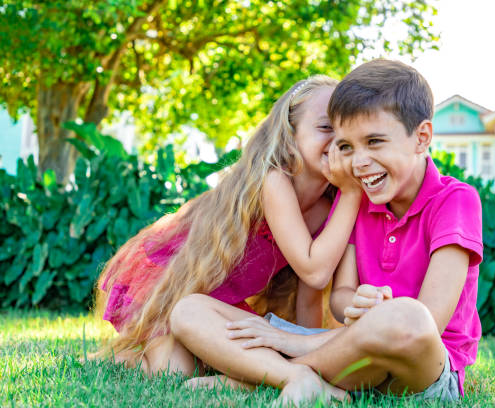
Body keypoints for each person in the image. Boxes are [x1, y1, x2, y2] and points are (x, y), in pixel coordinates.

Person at [222, 59, 483, 403]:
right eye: (346, 146)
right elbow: (341, 297)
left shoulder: (456, 200)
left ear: (422, 138)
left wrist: (293, 340)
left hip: (424, 369)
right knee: (191, 310)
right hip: (356, 353)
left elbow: (428, 322)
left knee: (407, 317)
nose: (358, 161)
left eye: (374, 141)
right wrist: (358, 306)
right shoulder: (360, 204)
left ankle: (270, 371)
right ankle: (303, 378)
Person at [92, 75, 361, 394]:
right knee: (174, 372)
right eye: (325, 127)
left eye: (344, 130)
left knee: (243, 353)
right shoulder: (274, 181)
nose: (338, 140)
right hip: (172, 282)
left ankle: (248, 378)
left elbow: (310, 295)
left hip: (215, 303)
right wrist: (352, 189)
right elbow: (315, 271)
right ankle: (126, 357)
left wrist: (310, 354)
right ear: (290, 138)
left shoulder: (328, 208)